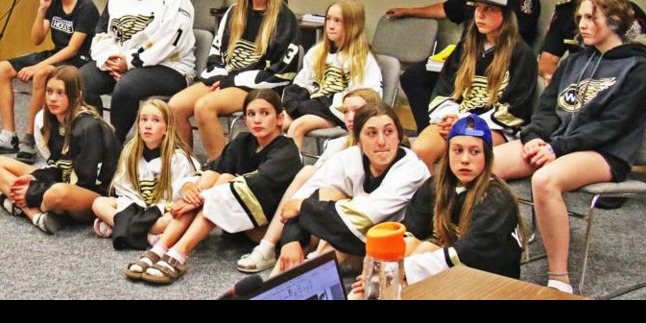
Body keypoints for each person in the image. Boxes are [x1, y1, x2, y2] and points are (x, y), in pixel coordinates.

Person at [492, 0, 646, 293]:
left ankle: (559, 279)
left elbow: (612, 126)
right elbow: (548, 110)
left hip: (605, 152)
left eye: (592, 17)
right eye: (580, 17)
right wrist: (534, 138)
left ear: (616, 21)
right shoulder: (573, 61)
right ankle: (495, 243)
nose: (582, 24)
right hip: (557, 144)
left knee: (545, 179)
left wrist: (557, 148)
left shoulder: (639, 68)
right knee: (482, 163)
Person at [124, 90, 302, 284]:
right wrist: (192, 188)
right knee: (220, 178)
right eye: (251, 114)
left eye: (265, 113)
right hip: (235, 219)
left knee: (219, 189)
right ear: (245, 119)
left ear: (280, 118)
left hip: (265, 228)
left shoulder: (287, 150)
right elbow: (216, 168)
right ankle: (159, 249)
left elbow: (258, 185)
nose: (257, 120)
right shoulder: (243, 141)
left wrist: (202, 197)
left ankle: (179, 253)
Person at [349, 114, 525, 297]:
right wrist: (379, 271)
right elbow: (409, 235)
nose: (465, 159)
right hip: (454, 275)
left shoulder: (497, 200)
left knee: (412, 263)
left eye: (474, 152)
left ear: (487, 157)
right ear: (447, 153)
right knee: (375, 280)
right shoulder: (435, 186)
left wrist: (398, 271)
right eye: (457, 150)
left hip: (493, 285)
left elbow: (466, 256)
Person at [387, 0, 540, 131]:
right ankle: (430, 127)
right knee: (414, 76)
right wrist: (408, 11)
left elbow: (522, 34)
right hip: (467, 55)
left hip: (501, 64)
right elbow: (447, 9)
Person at [169, 0, 301, 160]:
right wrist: (220, 78)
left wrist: (230, 81)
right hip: (226, 79)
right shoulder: (233, 12)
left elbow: (278, 72)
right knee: (175, 106)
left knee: (204, 107)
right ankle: (188, 166)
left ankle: (221, 169)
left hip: (259, 86)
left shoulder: (285, 18)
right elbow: (216, 54)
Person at [236, 88, 382, 273]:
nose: (350, 117)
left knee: (328, 189)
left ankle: (303, 262)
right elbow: (312, 188)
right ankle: (270, 250)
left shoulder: (385, 150)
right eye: (345, 112)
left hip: (355, 231)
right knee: (309, 175)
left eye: (357, 110)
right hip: (318, 216)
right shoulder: (337, 145)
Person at [274, 101, 430, 274]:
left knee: (336, 216)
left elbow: (365, 216)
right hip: (353, 242)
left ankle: (309, 278)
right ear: (358, 140)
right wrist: (291, 240)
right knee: (328, 194)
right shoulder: (349, 157)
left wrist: (304, 206)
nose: (381, 141)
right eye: (371, 133)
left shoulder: (412, 169)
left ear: (399, 136)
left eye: (388, 132)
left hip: (397, 251)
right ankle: (275, 287)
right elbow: (300, 199)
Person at [0, 0, 98, 163]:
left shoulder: (86, 7)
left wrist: (37, 66)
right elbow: (37, 38)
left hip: (78, 61)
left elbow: (72, 48)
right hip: (56, 53)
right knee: (2, 69)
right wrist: (42, 10)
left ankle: (30, 137)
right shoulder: (54, 3)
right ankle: (7, 137)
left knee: (41, 74)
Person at [410, 0, 537, 171]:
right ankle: (429, 199)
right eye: (477, 7)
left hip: (493, 126)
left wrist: (465, 123)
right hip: (455, 118)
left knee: (465, 151)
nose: (480, 14)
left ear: (506, 14)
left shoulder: (521, 54)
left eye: (489, 9)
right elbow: (444, 90)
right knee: (419, 150)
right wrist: (450, 117)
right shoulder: (464, 47)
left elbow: (515, 110)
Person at [81, 0, 196, 143]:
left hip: (169, 67)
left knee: (128, 86)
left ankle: (114, 142)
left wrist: (130, 63)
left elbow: (168, 42)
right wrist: (109, 59)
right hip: (122, 63)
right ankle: (96, 136)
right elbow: (101, 32)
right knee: (80, 80)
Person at [0, 66, 121, 234]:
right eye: (49, 91)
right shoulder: (50, 119)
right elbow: (57, 166)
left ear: (77, 96)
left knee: (57, 193)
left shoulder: (88, 127)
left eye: (60, 93)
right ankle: (37, 215)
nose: (52, 99)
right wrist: (35, 177)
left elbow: (85, 182)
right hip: (64, 180)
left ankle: (26, 208)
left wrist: (34, 191)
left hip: (92, 194)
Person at [91, 99, 201, 250]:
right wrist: (137, 209)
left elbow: (178, 195)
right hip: (135, 207)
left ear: (167, 129)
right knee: (99, 204)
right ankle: (148, 236)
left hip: (161, 211)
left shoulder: (178, 158)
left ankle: (121, 228)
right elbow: (124, 190)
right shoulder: (130, 152)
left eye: (155, 120)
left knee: (176, 219)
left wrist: (152, 211)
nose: (148, 125)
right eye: (144, 120)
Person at [282, 0, 383, 149]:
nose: (330, 25)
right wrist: (297, 101)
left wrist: (320, 105)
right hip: (311, 105)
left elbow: (367, 97)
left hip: (339, 113)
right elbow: (303, 82)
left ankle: (288, 171)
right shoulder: (318, 51)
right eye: (328, 19)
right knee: (276, 121)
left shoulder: (363, 59)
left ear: (353, 25)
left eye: (338, 21)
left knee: (298, 126)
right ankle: (268, 166)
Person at [539, 0, 646, 84]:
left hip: (616, 82)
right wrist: (557, 80)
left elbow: (636, 64)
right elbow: (547, 60)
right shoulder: (565, 12)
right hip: (575, 82)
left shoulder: (630, 13)